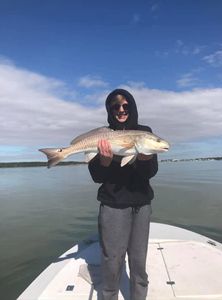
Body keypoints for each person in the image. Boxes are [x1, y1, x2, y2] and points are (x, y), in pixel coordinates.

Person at [88, 89, 158, 300]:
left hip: (141, 205)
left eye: (126, 106)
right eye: (116, 106)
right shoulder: (102, 136)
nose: (121, 110)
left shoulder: (144, 132)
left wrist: (144, 161)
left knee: (138, 261)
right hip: (113, 205)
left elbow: (151, 172)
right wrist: (105, 163)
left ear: (133, 107)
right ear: (110, 110)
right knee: (112, 261)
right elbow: (97, 177)